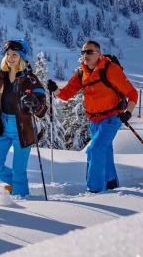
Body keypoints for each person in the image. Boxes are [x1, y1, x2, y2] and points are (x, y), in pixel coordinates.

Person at [47, 40, 138, 193]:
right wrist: (55, 89)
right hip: (93, 121)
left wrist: (128, 112)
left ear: (99, 54)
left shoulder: (110, 69)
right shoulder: (82, 72)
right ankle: (112, 185)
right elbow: (65, 94)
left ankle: (94, 190)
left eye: (89, 52)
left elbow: (132, 93)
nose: (85, 55)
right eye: (83, 52)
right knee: (105, 151)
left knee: (95, 150)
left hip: (111, 118)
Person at [0, 39, 46, 197]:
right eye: (8, 54)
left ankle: (22, 198)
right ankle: (18, 186)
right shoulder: (0, 75)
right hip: (2, 126)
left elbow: (42, 110)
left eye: (14, 55)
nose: (10, 58)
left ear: (22, 57)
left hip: (23, 130)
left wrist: (35, 103)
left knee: (19, 172)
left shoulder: (31, 80)